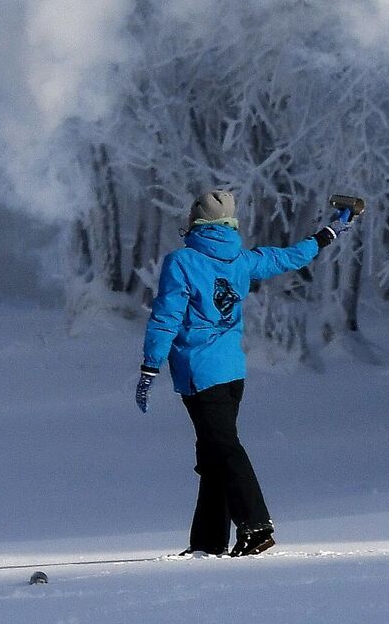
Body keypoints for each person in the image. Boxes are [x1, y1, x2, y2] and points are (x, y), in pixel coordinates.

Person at [136, 189, 355, 558]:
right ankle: (207, 542)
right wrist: (329, 233)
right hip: (232, 372)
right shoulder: (241, 260)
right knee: (213, 453)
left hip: (200, 372)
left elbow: (166, 316)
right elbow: (289, 257)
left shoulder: (182, 262)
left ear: (195, 221)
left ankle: (256, 525)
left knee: (224, 449)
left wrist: (149, 367)